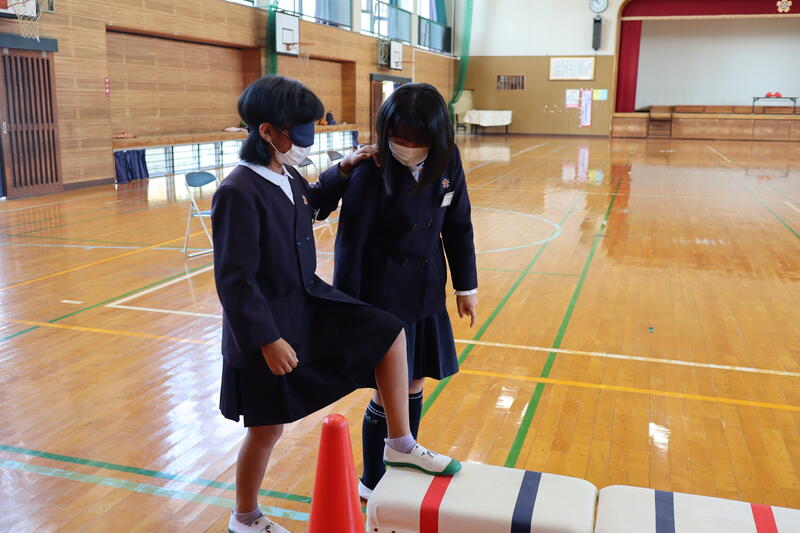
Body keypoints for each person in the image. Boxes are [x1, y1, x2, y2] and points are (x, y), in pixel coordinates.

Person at [213, 76, 461, 533]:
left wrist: (343, 168)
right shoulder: (238, 191)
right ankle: (244, 517)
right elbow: (234, 282)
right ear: (267, 131)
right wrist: (267, 339)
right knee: (266, 429)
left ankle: (400, 442)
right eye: (300, 130)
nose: (307, 140)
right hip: (267, 320)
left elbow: (312, 201)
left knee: (389, 331)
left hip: (306, 301)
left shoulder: (285, 173)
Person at [332, 83, 478, 500]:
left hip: (426, 288)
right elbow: (349, 247)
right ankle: (373, 480)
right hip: (380, 295)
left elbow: (458, 224)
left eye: (417, 139)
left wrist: (465, 286)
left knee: (414, 382)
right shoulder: (370, 169)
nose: (406, 147)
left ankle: (404, 460)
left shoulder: (448, 158)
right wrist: (348, 311)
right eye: (398, 137)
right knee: (388, 390)